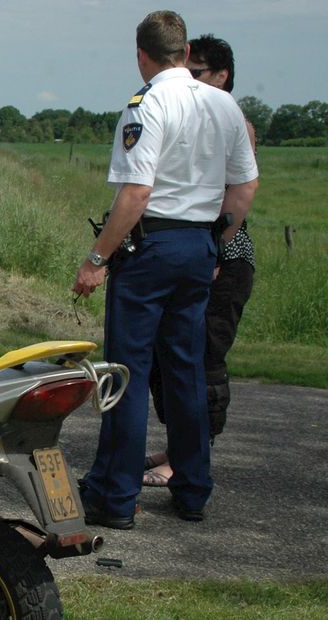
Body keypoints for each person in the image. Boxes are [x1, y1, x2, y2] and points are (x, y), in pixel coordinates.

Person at [72, 11, 258, 528]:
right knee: (186, 371)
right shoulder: (224, 106)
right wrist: (214, 243)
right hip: (200, 245)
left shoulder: (147, 104)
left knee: (127, 373)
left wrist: (95, 260)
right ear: (185, 49)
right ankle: (193, 488)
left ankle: (115, 496)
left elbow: (136, 193)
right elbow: (243, 189)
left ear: (142, 55)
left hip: (151, 247)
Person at [143, 34, 258, 487]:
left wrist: (216, 244)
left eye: (198, 73)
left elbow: (243, 193)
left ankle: (193, 457)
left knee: (203, 356)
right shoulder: (196, 113)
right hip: (193, 253)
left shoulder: (233, 121)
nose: (188, 79)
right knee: (165, 356)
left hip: (222, 258)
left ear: (222, 76)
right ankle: (179, 446)